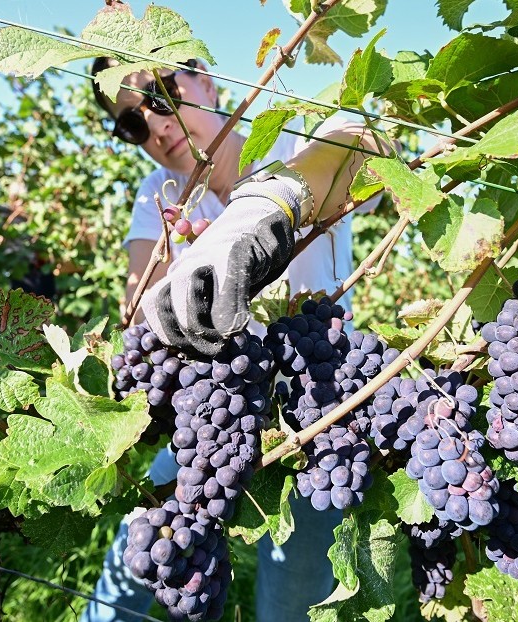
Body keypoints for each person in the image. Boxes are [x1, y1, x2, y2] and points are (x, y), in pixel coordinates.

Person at [82, 57, 382, 621]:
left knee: (293, 592)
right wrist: (171, 275)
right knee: (138, 560)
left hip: (313, 402)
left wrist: (268, 205)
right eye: (132, 123)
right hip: (212, 407)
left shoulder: (287, 143)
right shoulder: (160, 195)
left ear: (209, 83)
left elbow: (361, 140)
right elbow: (139, 290)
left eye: (163, 94)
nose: (158, 126)